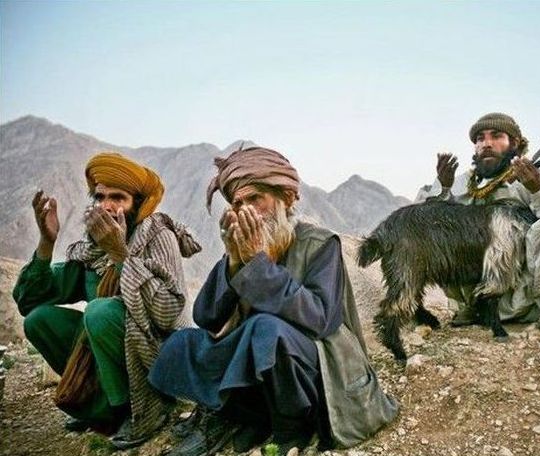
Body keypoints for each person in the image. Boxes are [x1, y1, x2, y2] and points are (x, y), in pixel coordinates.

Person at [148, 142, 398, 456]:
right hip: (260, 363)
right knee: (183, 343)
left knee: (266, 329)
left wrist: (259, 265)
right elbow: (206, 316)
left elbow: (321, 319)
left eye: (256, 199)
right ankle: (237, 417)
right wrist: (235, 262)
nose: (247, 211)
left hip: (317, 368)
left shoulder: (320, 244)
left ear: (286, 198)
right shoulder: (243, 245)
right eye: (238, 204)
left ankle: (291, 431)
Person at [13, 152, 200, 449]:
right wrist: (47, 242)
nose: (107, 206)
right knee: (39, 320)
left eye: (118, 198)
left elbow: (167, 312)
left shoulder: (158, 237)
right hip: (112, 344)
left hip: (156, 349)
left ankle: (138, 411)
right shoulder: (93, 246)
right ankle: (98, 405)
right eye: (100, 197)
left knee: (99, 312)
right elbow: (30, 299)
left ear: (136, 205)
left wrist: (120, 256)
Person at [418, 112, 540, 330]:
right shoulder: (464, 182)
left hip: (528, 283)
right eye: (480, 139)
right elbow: (425, 218)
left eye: (496, 136)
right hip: (485, 286)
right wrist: (443, 188)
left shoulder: (536, 171)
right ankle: (469, 305)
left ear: (513, 142)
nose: (486, 143)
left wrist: (538, 189)